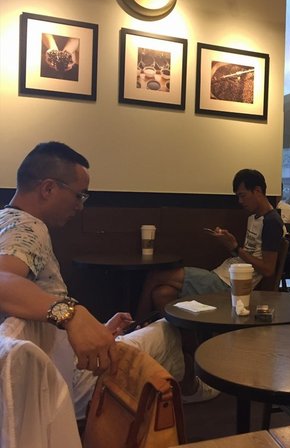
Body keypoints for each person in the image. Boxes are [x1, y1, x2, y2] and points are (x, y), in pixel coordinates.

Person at [0, 142, 213, 419]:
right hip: (66, 383)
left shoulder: (5, 220)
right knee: (168, 330)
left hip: (39, 380)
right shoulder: (30, 227)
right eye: (79, 195)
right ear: (48, 188)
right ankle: (188, 394)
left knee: (143, 333)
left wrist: (95, 330)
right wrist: (72, 315)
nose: (80, 206)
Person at [138, 169, 283, 314]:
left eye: (242, 195)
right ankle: (176, 329)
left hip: (231, 284)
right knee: (162, 294)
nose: (240, 201)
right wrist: (230, 243)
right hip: (222, 275)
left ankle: (136, 323)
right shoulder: (253, 218)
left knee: (155, 276)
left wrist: (236, 248)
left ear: (257, 191)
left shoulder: (271, 222)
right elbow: (247, 254)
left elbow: (268, 269)